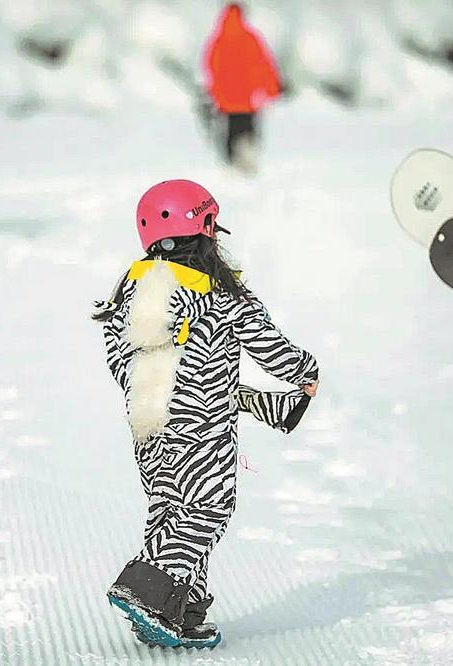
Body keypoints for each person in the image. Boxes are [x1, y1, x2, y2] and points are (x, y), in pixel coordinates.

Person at [92, 180, 319, 648]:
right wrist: (305, 371)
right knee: (206, 511)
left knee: (169, 514)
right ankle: (147, 589)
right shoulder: (220, 293)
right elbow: (270, 350)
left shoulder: (131, 290)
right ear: (206, 227)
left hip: (148, 429)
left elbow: (120, 359)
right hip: (205, 432)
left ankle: (180, 613)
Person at [202, 3, 281, 173]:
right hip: (247, 98)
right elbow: (264, 64)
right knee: (248, 126)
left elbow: (210, 66)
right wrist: (272, 88)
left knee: (231, 126)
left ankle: (231, 161)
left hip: (227, 99)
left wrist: (214, 90)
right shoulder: (250, 38)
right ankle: (247, 154)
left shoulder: (218, 39)